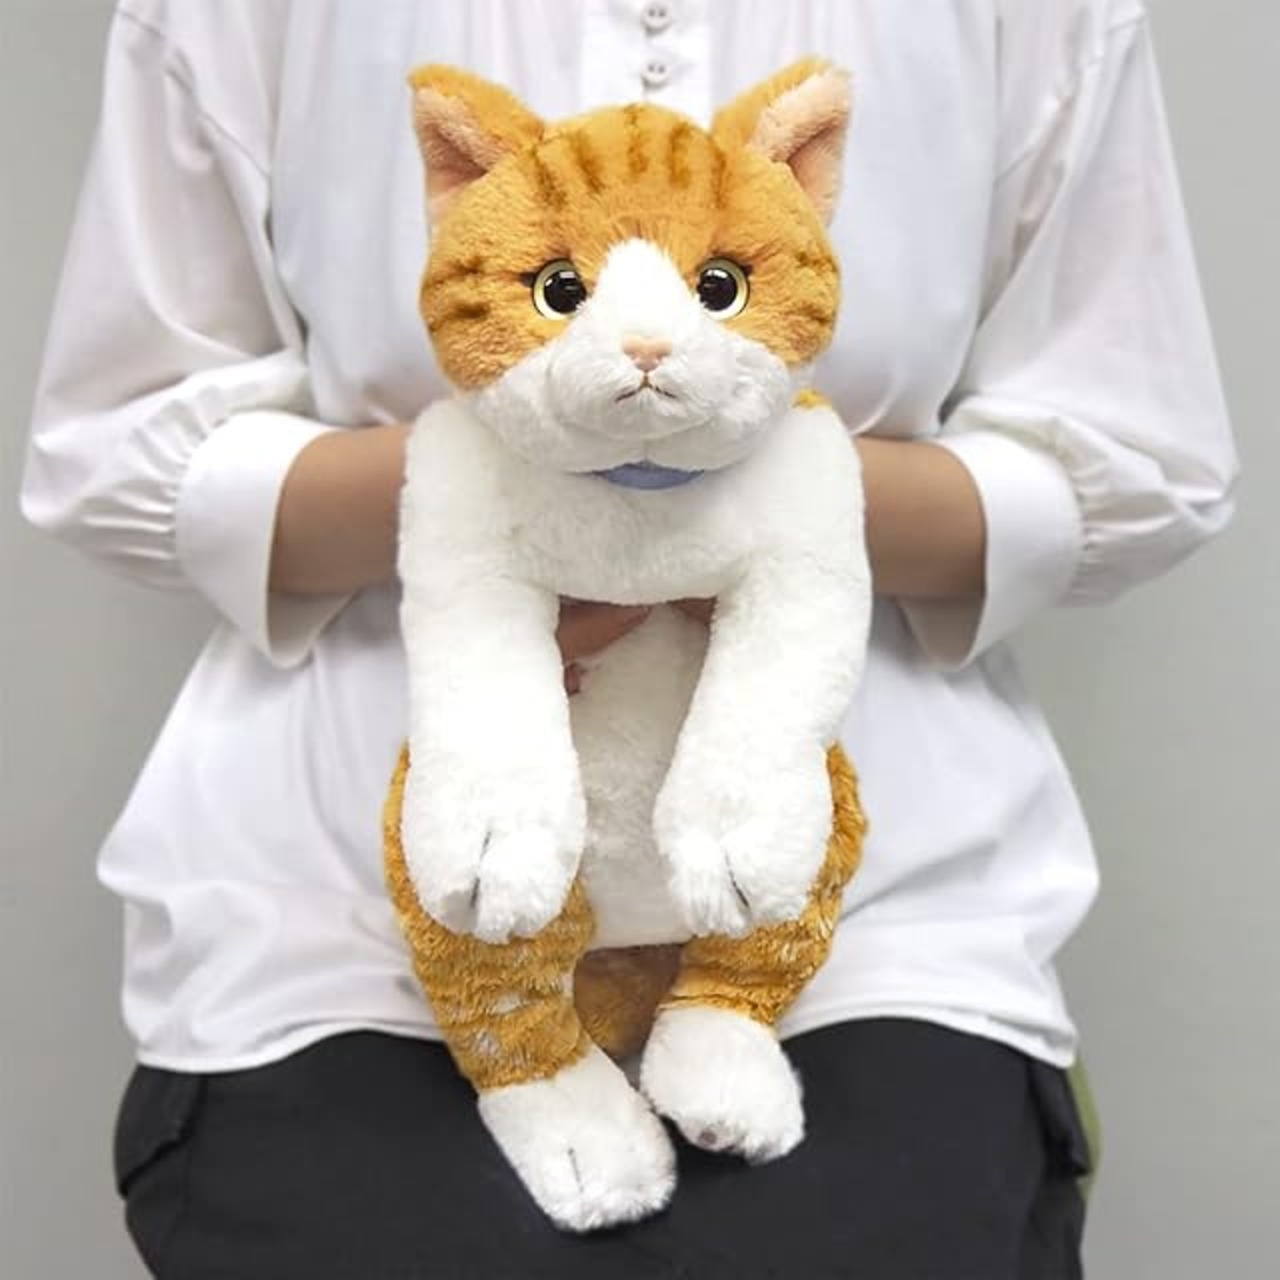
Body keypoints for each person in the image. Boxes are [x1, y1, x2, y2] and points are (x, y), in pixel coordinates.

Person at [21, 1, 1236, 1276]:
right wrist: (503, 496)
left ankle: (726, 997)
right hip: (333, 925)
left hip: (884, 930)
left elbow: (1135, 459)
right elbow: (115, 444)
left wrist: (769, 500)